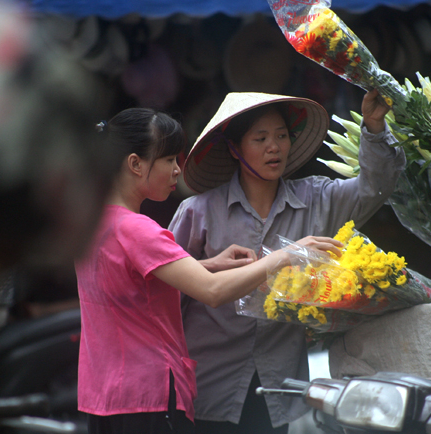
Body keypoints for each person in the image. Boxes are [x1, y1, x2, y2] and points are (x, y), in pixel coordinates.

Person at [74, 108, 341, 434]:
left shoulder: (93, 225)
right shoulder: (140, 231)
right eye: (169, 159)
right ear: (135, 164)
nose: (177, 170)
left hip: (105, 396)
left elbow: (135, 284)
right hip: (148, 397)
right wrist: (286, 255)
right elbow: (212, 292)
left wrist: (208, 264)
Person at [168, 89, 406, 433]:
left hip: (278, 384)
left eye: (281, 136)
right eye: (260, 138)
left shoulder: (317, 199)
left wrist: (373, 128)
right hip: (208, 385)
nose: (274, 147)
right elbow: (166, 298)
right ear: (235, 149)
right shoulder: (199, 212)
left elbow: (375, 188)